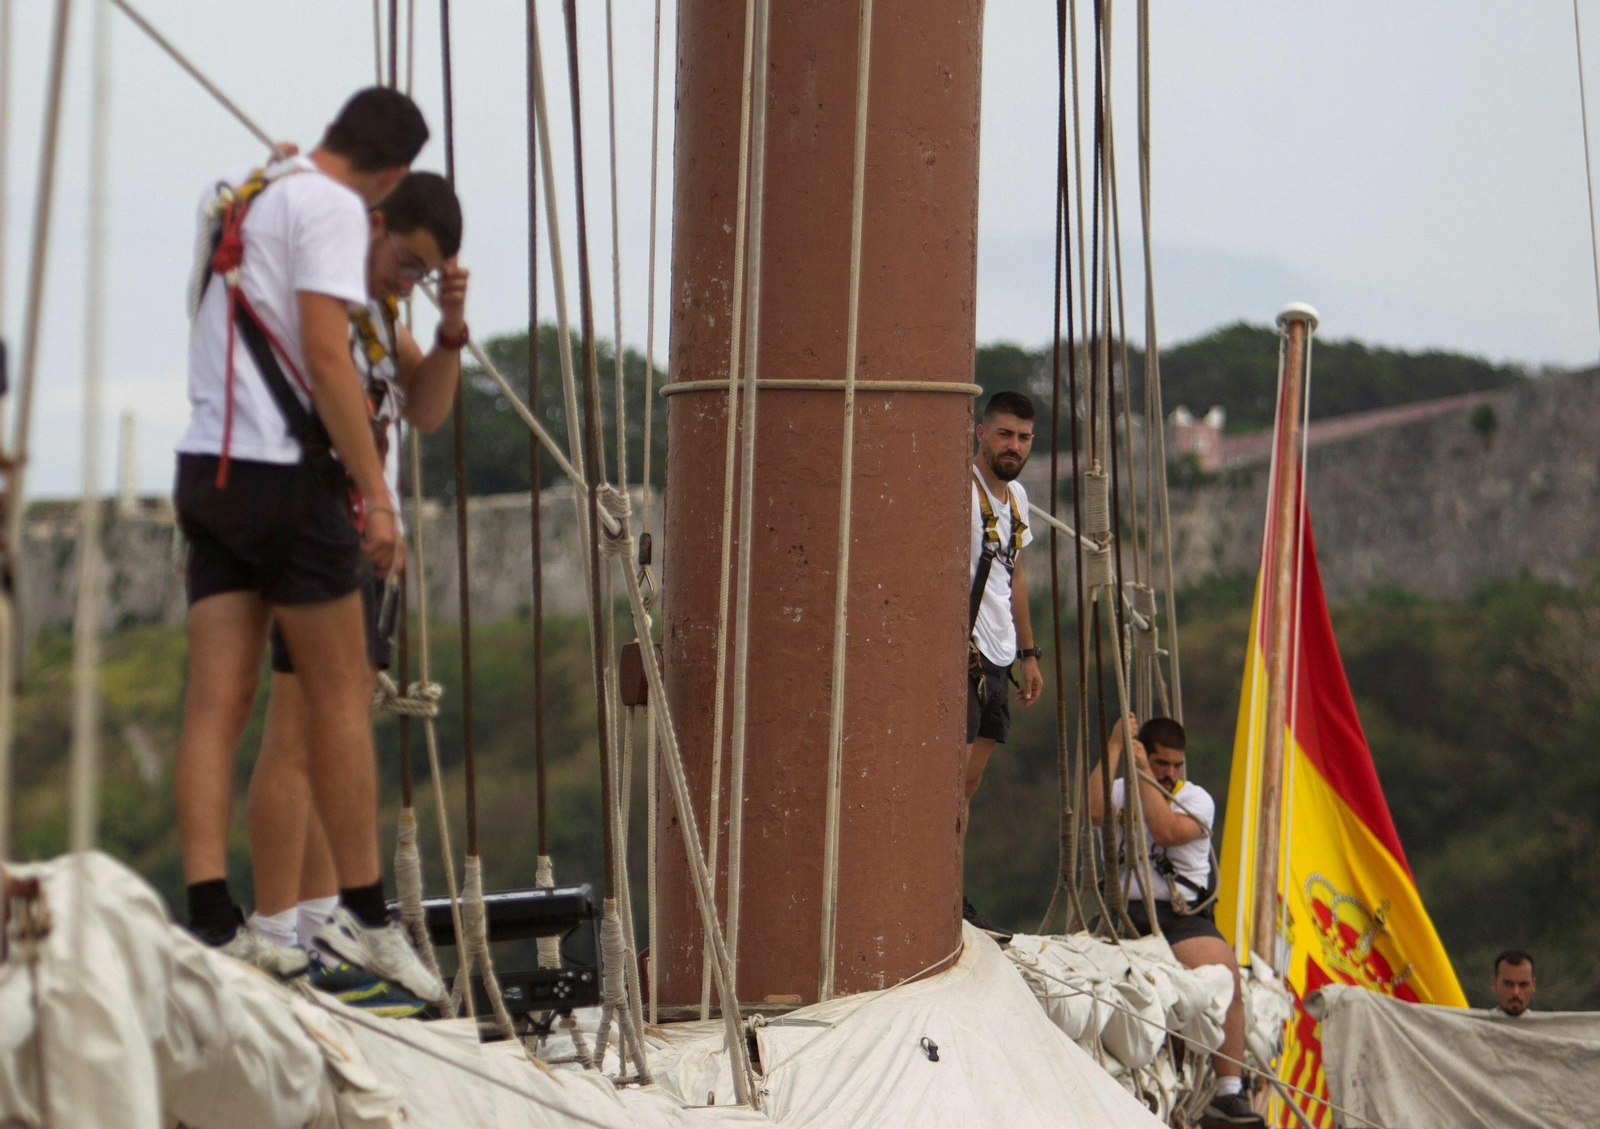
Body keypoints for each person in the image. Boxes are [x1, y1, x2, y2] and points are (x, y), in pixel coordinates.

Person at [173, 87, 443, 1005]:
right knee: (340, 697)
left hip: (207, 470)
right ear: (394, 175)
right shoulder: (328, 204)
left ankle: (215, 917)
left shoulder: (246, 193)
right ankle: (362, 917)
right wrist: (377, 499)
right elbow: (327, 357)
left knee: (216, 704)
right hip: (287, 478)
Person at [241, 173, 466, 1010]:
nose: (403, 280)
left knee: (336, 728)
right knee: (301, 730)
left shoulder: (382, 314)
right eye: (404, 263)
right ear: (373, 228)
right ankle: (279, 932)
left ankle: (315, 925)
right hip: (320, 533)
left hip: (356, 545)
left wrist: (445, 331)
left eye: (420, 272)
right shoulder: (329, 300)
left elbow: (429, 408)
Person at [1089, 714, 1265, 1129]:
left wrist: (1145, 775)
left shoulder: (1197, 800)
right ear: (1142, 755)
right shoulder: (1119, 790)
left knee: (1227, 977)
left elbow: (1164, 830)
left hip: (1178, 917)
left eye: (1175, 765)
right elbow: (1095, 814)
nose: (1169, 773)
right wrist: (1116, 748)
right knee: (1082, 983)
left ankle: (1228, 1093)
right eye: (1160, 763)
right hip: (1122, 912)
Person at [963, 390, 1043, 931]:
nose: (1013, 446)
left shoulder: (1017, 499)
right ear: (980, 432)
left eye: (1023, 437)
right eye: (1005, 434)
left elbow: (1013, 575)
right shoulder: (961, 491)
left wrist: (1028, 653)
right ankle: (942, 891)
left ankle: (949, 890)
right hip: (963, 653)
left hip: (998, 655)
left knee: (968, 785)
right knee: (950, 782)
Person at [1491, 950, 1536, 1016]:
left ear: (1533, 985)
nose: (1516, 992)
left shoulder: (1546, 1025)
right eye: (1509, 984)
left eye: (1523, 985)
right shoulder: (1475, 1024)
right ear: (1495, 984)